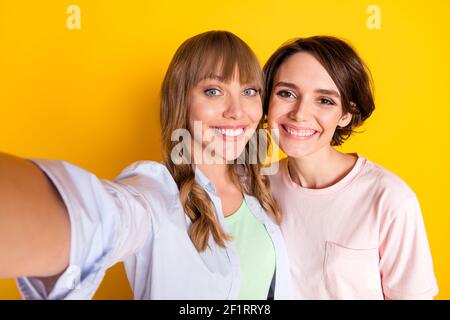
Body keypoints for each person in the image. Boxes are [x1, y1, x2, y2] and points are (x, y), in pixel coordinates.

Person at [0, 30, 293, 300]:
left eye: (249, 91)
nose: (237, 111)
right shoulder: (157, 194)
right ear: (182, 101)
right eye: (214, 91)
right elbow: (102, 216)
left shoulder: (261, 186)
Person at [263, 36, 438, 299]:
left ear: (346, 114)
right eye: (286, 93)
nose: (299, 114)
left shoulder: (390, 199)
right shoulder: (254, 187)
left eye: (325, 101)